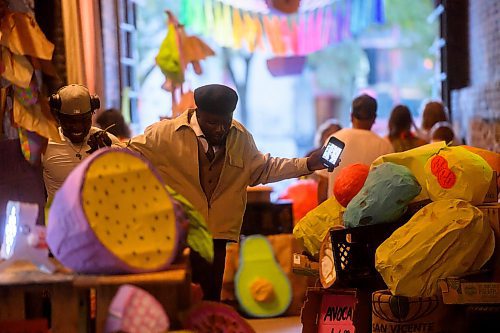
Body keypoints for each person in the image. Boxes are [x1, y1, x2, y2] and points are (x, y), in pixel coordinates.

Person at [126, 84, 330, 301]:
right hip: (178, 234)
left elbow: (264, 168)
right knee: (178, 300)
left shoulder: (240, 137)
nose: (219, 130)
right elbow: (127, 151)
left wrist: (308, 163)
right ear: (198, 113)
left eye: (225, 122)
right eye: (212, 123)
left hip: (217, 236)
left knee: (210, 298)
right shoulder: (165, 134)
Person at [42, 84, 120, 201]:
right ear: (58, 117)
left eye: (84, 120)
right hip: (61, 218)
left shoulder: (108, 143)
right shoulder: (44, 145)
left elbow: (121, 186)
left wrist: (106, 158)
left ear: (92, 115)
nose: (77, 127)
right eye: (70, 121)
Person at [317, 94, 394, 203]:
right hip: (370, 214)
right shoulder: (384, 146)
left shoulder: (335, 140)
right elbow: (388, 186)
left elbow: (323, 181)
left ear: (351, 116)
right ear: (374, 118)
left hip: (335, 213)